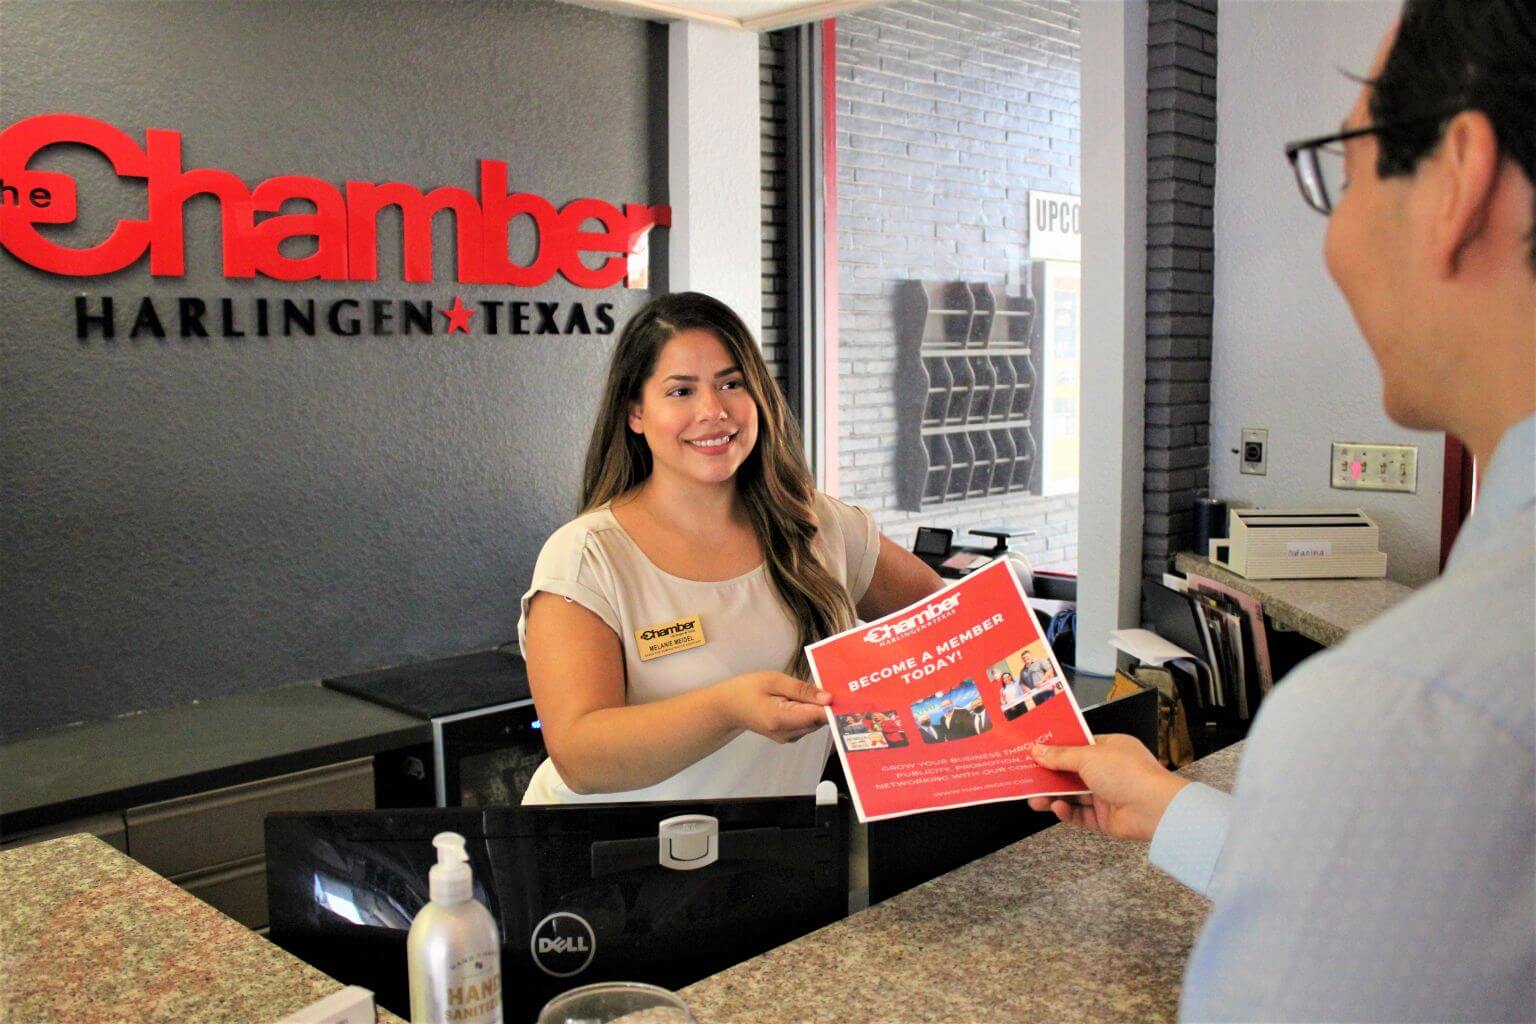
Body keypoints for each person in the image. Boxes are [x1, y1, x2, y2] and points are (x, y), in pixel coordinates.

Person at [1030, 2, 1534, 1020]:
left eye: (1339, 171)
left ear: (1458, 178)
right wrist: (1173, 808)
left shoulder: (1411, 713)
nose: (1337, 241)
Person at [519, 292, 943, 803]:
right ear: (635, 412)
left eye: (731, 383)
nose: (713, 411)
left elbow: (944, 624)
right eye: (681, 392)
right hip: (611, 868)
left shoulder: (819, 525)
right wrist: (729, 708)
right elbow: (580, 758)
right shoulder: (586, 556)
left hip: (768, 860)